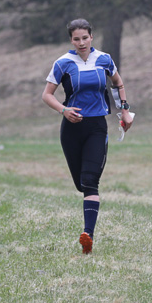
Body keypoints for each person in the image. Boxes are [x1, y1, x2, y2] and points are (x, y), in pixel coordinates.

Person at [41, 18, 131, 254]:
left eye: (85, 38)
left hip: (96, 127)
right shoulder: (63, 63)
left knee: (91, 181)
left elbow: (118, 83)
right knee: (81, 184)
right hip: (71, 130)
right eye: (76, 39)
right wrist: (64, 110)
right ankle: (88, 232)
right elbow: (47, 95)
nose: (81, 42)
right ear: (71, 40)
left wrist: (124, 111)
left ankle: (87, 237)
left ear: (92, 37)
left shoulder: (104, 59)